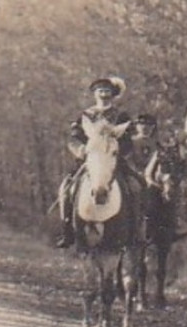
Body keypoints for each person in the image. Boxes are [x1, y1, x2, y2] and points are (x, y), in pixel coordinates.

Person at [54, 76, 134, 248]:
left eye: (107, 91)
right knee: (66, 188)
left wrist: (117, 150)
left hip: (113, 161)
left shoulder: (121, 116)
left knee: (136, 185)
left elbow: (128, 141)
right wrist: (82, 150)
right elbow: (73, 138)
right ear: (94, 94)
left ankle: (134, 230)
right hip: (90, 159)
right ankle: (67, 230)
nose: (104, 94)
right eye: (100, 91)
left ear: (113, 94)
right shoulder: (85, 115)